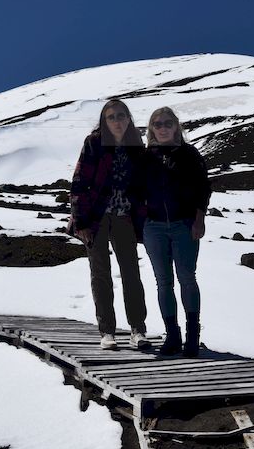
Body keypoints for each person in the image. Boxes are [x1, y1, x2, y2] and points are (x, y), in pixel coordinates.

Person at [67, 100, 150, 351]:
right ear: (105, 120)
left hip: (124, 216)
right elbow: (80, 182)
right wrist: (80, 221)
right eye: (111, 116)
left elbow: (143, 186)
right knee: (100, 273)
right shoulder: (94, 143)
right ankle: (107, 331)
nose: (117, 120)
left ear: (128, 119)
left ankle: (138, 329)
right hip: (96, 217)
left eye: (121, 116)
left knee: (131, 273)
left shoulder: (136, 147)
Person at [140, 107, 211, 357]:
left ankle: (193, 337)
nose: (162, 127)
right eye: (157, 123)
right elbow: (135, 191)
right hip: (153, 227)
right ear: (151, 129)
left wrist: (199, 219)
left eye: (168, 123)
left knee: (187, 278)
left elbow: (203, 188)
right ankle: (173, 336)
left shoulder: (189, 154)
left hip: (184, 225)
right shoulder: (145, 157)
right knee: (163, 282)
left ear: (176, 126)